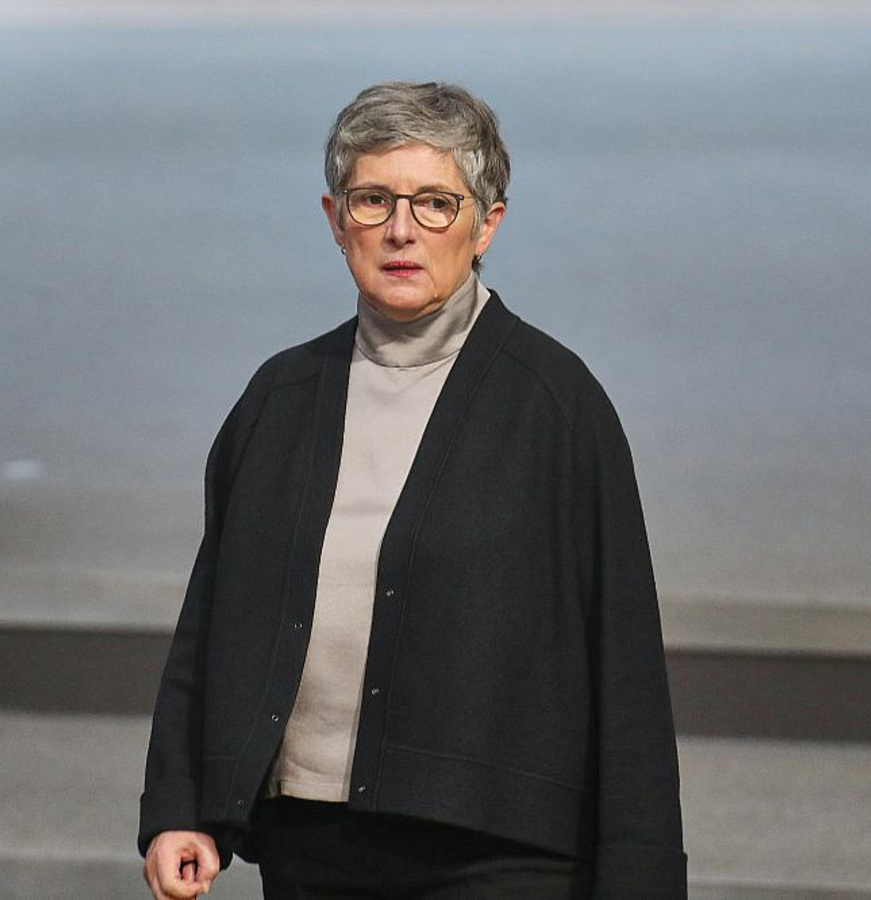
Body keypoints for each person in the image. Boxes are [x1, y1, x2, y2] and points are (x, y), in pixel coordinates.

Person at [139, 81, 687, 900]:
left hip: (498, 855)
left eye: (435, 203)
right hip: (310, 847)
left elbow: (625, 666)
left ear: (486, 225)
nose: (401, 231)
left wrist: (641, 878)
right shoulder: (281, 398)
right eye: (373, 201)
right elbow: (214, 617)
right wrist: (180, 806)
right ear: (335, 220)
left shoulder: (555, 407)